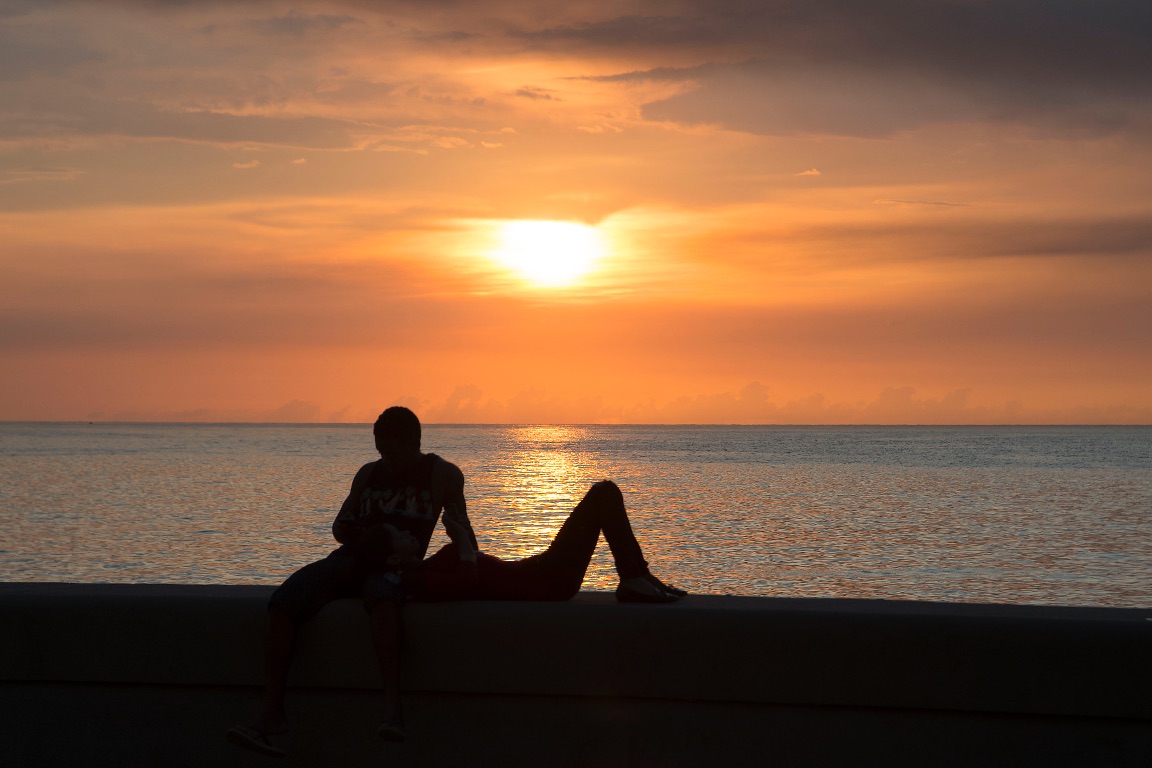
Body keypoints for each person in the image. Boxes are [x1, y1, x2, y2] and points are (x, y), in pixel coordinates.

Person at [226, 406, 476, 757]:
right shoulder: (368, 474)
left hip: (395, 565)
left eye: (393, 451)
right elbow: (340, 526)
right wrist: (348, 529)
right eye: (380, 450)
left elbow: (464, 531)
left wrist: (466, 555)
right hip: (352, 557)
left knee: (383, 600)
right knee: (284, 601)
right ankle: (272, 714)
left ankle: (393, 711)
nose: (386, 459)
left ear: (413, 443)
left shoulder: (443, 474)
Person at [393, 479, 686, 604]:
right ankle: (634, 578)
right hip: (545, 580)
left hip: (538, 572)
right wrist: (461, 542)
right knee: (604, 493)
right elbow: (467, 582)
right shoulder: (418, 579)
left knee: (605, 493)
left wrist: (460, 530)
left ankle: (640, 575)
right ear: (392, 558)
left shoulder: (428, 568)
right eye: (400, 537)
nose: (409, 534)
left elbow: (475, 568)